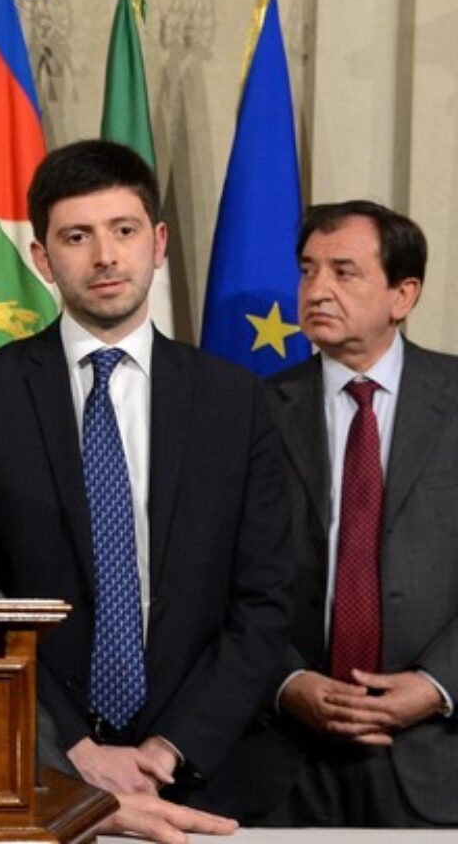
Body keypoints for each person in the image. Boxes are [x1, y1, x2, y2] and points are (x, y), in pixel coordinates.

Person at [0, 140, 293, 820]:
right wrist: (67, 744)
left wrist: (173, 747)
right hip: (39, 767)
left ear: (157, 243)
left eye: (123, 231)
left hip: (199, 772)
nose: (104, 256)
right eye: (77, 237)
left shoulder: (236, 399)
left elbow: (264, 598)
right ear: (42, 258)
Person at [248, 201, 458, 826]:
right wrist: (287, 681)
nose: (317, 290)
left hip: (434, 758)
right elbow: (218, 574)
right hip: (286, 760)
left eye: (344, 272)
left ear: (403, 294)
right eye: (307, 271)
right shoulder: (252, 410)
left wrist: (437, 685)